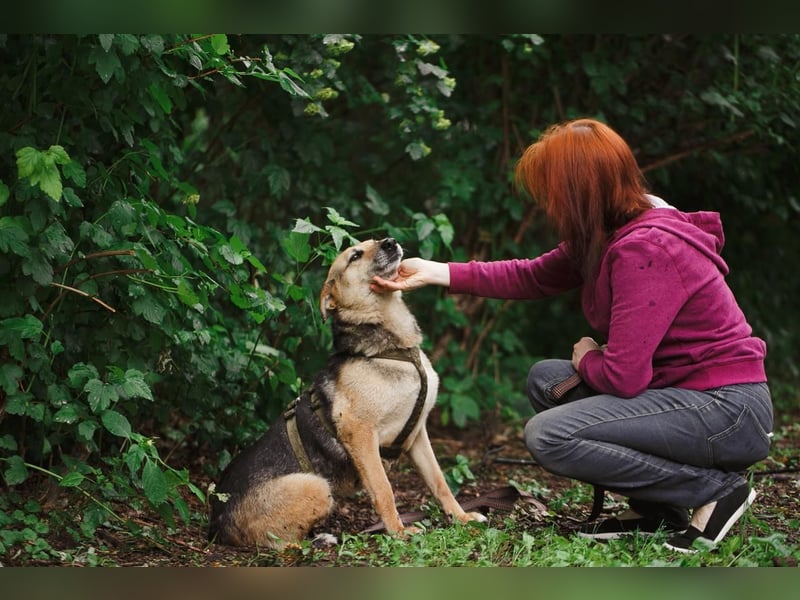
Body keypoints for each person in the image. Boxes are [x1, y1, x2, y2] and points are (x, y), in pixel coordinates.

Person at [371, 118, 773, 553]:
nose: (547, 203)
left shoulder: (646, 248)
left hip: (725, 409)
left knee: (549, 435)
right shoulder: (606, 230)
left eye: (551, 190)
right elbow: (533, 276)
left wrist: (586, 358)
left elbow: (623, 378)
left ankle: (712, 491)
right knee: (548, 381)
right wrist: (434, 272)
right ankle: (655, 508)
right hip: (686, 396)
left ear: (580, 190)